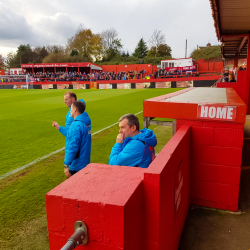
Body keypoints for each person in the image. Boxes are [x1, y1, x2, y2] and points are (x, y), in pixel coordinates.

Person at [64, 101, 91, 177]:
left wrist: (66, 164)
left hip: (76, 165)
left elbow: (73, 146)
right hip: (85, 162)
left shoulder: (76, 125)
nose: (70, 111)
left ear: (75, 109)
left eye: (71, 109)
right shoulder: (85, 123)